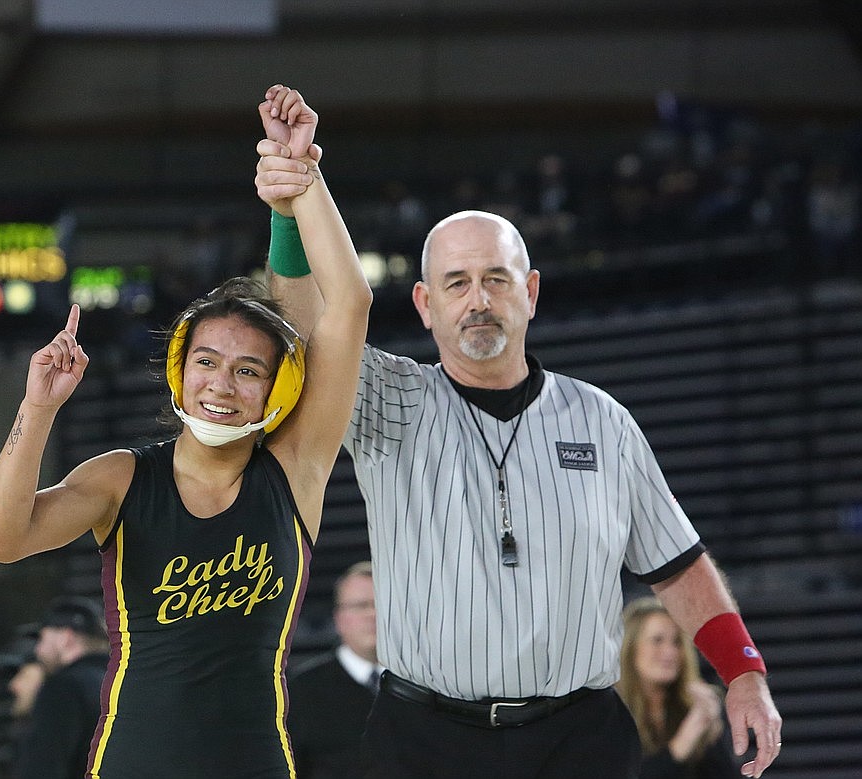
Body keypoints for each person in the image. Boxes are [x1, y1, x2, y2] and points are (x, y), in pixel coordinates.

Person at [255, 149, 782, 776]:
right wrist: (290, 211)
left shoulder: (602, 421)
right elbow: (303, 330)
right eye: (457, 283)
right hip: (424, 740)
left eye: (496, 279)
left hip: (579, 739)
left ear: (529, 293)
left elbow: (677, 566)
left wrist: (744, 671)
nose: (478, 299)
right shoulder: (387, 401)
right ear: (425, 305)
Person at [0, 84, 371, 779]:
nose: (222, 382)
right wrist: (36, 409)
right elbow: (0, 540)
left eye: (249, 370)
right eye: (208, 361)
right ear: (179, 371)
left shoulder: (297, 466)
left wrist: (301, 181)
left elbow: (349, 304)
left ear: (274, 388)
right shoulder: (122, 477)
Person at [617, 597, 740, 779]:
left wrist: (709, 731)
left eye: (676, 642)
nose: (670, 652)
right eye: (657, 640)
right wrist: (686, 738)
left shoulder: (694, 707)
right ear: (630, 647)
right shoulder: (610, 712)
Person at [287, 561, 382, 779]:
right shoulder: (300, 691)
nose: (373, 614)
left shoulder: (424, 683)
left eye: (381, 604)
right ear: (338, 619)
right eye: (361, 605)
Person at [12, 595, 109, 779]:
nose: (38, 650)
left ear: (66, 638)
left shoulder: (63, 688)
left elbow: (44, 766)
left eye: (43, 639)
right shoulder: (119, 684)